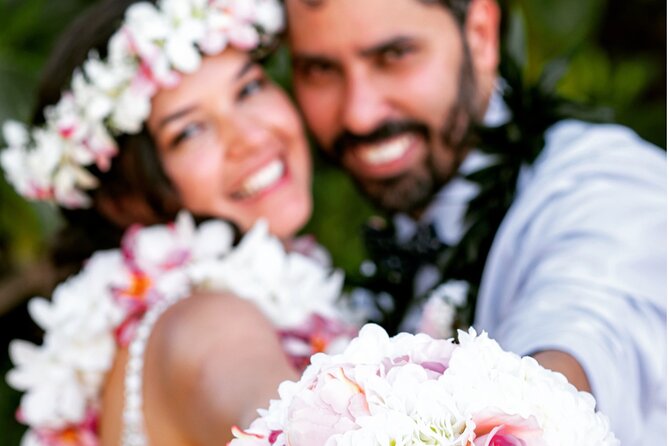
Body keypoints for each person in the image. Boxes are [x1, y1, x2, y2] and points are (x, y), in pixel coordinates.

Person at [283, 0, 667, 444]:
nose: (359, 113)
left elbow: (585, 330)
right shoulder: (403, 231)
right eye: (320, 70)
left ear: (481, 33)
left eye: (395, 55)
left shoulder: (608, 189)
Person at [1, 0, 340, 444]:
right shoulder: (207, 320)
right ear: (123, 198)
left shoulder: (166, 323)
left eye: (249, 89)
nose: (252, 137)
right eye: (190, 131)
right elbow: (299, 432)